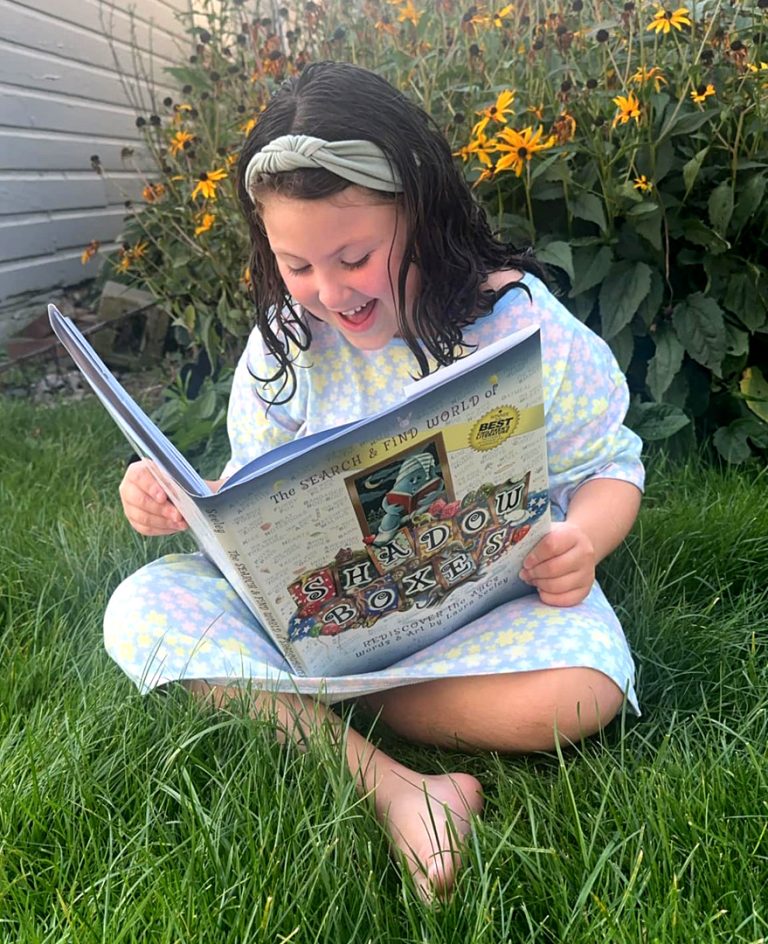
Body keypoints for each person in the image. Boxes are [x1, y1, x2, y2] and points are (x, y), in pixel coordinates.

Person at [109, 61, 644, 899]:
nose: (329, 292)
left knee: (579, 699)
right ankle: (397, 787)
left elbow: (611, 461)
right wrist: (178, 501)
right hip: (329, 622)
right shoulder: (287, 345)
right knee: (138, 612)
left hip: (487, 614)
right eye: (295, 265)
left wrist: (584, 540)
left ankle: (300, 703)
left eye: (354, 257)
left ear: (420, 212)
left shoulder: (516, 323)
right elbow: (249, 492)